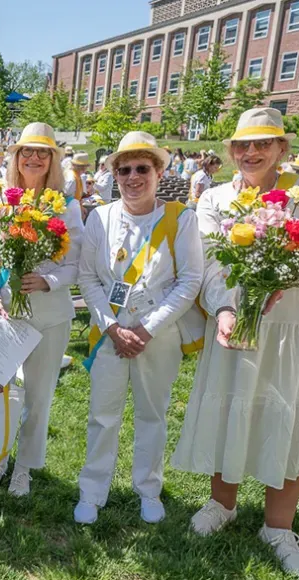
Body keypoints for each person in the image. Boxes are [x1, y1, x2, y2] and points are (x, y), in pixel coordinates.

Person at [171, 108, 299, 576]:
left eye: (263, 143)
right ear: (229, 151)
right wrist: (226, 308)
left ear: (282, 148)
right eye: (242, 145)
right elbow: (208, 263)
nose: (251, 153)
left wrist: (278, 282)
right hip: (238, 324)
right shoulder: (214, 198)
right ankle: (221, 504)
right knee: (231, 406)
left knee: (291, 408)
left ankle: (278, 526)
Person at [73, 131, 203, 524]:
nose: (133, 177)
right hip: (110, 333)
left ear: (159, 171)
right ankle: (92, 491)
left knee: (152, 415)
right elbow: (87, 279)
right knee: (102, 416)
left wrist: (146, 329)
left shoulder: (181, 218)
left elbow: (191, 279)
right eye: (124, 169)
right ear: (114, 174)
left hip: (158, 336)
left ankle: (149, 489)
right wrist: (112, 327)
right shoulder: (100, 216)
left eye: (142, 168)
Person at [0, 123, 84, 496]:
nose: (33, 157)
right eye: (26, 151)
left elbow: (76, 265)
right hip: (5, 310)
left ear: (53, 159)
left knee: (38, 396)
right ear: (16, 158)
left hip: (51, 314)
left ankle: (24, 467)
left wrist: (48, 281)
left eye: (42, 152)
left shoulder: (68, 206)